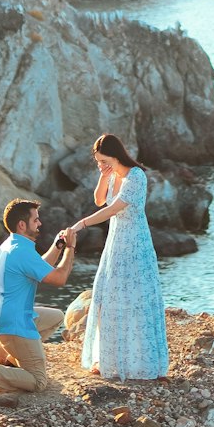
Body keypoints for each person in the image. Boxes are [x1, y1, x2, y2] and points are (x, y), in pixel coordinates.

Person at [66, 133, 168, 380]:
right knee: (109, 295)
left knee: (134, 298)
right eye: (98, 161)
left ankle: (137, 362)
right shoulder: (112, 175)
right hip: (115, 242)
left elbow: (113, 209)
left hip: (135, 242)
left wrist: (81, 224)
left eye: (105, 161)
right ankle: (107, 358)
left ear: (116, 155)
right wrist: (103, 177)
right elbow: (100, 200)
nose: (101, 165)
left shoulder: (136, 176)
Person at [0, 200, 77, 396]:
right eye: (35, 220)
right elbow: (59, 278)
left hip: (6, 316)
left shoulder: (12, 244)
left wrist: (58, 246)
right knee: (38, 382)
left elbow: (39, 267)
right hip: (14, 323)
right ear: (22, 224)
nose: (40, 223)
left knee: (57, 316)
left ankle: (15, 358)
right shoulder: (22, 251)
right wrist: (70, 248)